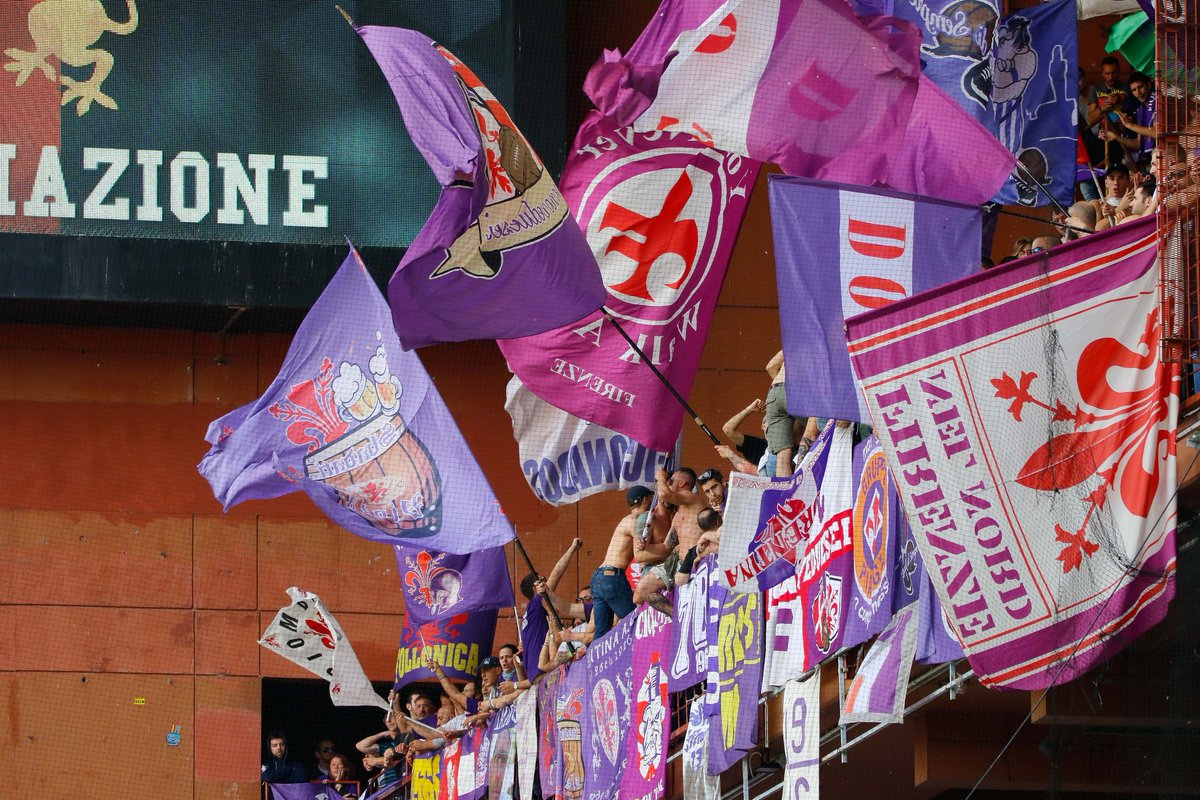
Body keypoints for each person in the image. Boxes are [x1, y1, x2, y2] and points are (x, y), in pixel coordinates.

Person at [589, 486, 650, 639]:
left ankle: (597, 662)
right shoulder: (634, 521)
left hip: (599, 577)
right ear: (645, 499)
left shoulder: (626, 520)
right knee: (635, 619)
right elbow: (639, 551)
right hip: (612, 577)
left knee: (601, 634)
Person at [720, 398, 776, 475]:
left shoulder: (791, 443)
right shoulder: (758, 445)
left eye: (777, 423)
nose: (775, 427)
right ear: (763, 426)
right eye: (771, 423)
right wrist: (750, 409)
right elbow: (728, 429)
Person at [765, 350, 798, 476]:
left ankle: (785, 494)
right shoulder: (820, 337)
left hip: (774, 392)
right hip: (796, 390)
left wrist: (783, 389)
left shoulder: (793, 341)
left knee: (782, 455)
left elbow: (770, 367)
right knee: (811, 432)